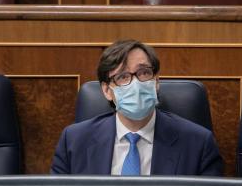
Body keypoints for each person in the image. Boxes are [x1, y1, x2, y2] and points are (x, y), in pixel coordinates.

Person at [51, 39, 223, 176]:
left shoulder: (198, 143)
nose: (135, 84)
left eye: (144, 73)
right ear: (107, 90)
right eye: (123, 76)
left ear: (156, 82)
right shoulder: (74, 141)